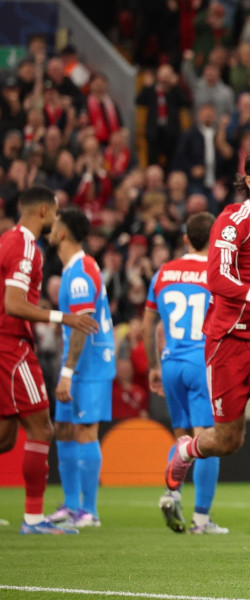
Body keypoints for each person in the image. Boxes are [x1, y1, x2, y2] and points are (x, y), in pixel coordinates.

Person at [164, 148, 250, 555]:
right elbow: (217, 278)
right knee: (228, 441)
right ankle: (188, 449)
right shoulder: (231, 221)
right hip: (229, 341)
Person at [0, 186, 97, 534]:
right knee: (42, 428)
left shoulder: (7, 241)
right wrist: (63, 317)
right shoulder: (26, 247)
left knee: (6, 437)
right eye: (55, 212)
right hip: (11, 346)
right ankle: (33, 519)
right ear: (43, 211)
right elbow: (13, 304)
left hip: (7, 344)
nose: (56, 219)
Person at [143, 211, 229, 535]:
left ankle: (171, 493)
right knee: (209, 439)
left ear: (185, 239)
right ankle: (202, 520)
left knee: (182, 439)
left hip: (171, 363)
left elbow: (149, 321)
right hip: (202, 362)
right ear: (216, 240)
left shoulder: (163, 273)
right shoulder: (215, 273)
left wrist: (153, 363)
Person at [46, 207, 116, 528]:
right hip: (76, 364)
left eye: (54, 225)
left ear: (62, 233)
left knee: (86, 431)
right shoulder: (74, 269)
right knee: (63, 428)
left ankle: (90, 511)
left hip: (90, 365)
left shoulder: (81, 271)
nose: (49, 228)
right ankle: (71, 504)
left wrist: (67, 371)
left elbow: (81, 325)